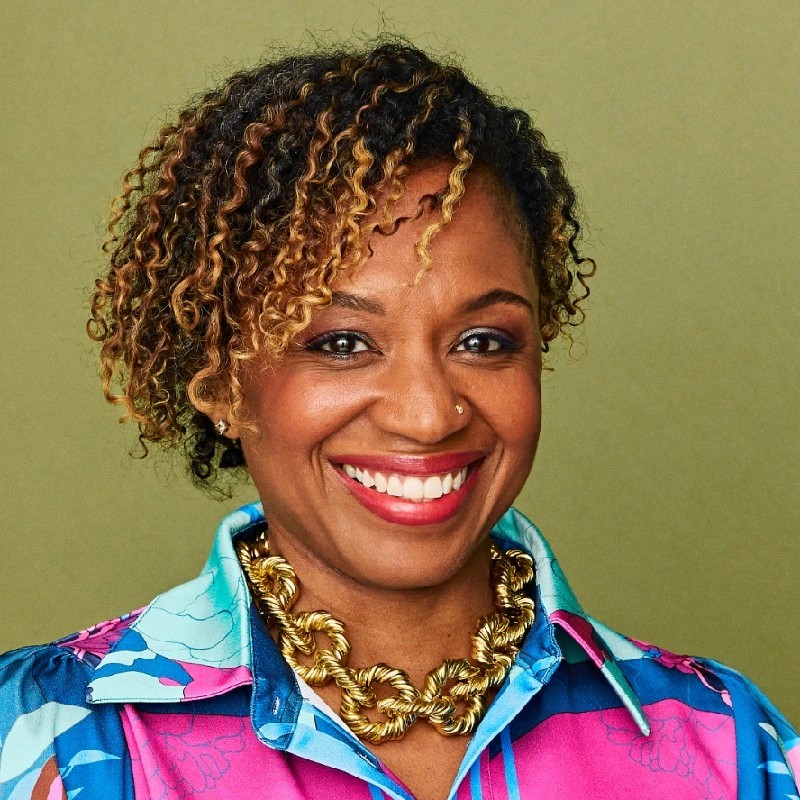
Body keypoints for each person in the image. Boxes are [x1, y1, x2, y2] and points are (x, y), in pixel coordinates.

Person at [0, 40, 796, 800]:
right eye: (342, 343)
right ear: (218, 380)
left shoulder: (728, 746)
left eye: (483, 342)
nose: (427, 415)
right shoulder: (46, 737)